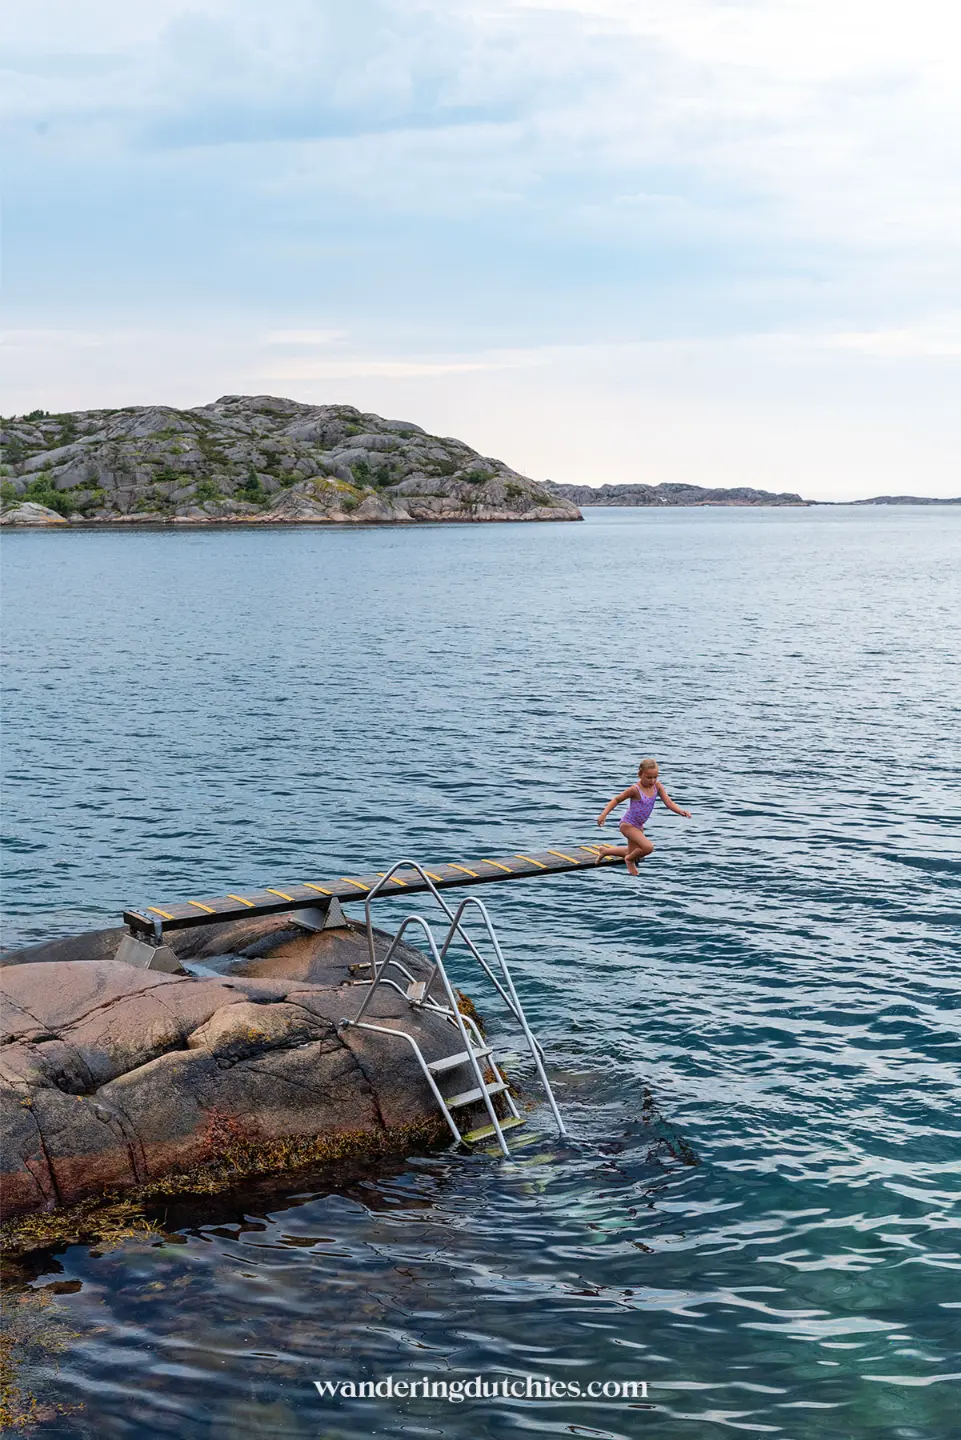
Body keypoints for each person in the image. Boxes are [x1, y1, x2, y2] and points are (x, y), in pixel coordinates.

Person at [595, 758, 691, 876]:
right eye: (649, 777)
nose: (652, 781)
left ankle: (605, 851)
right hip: (628, 825)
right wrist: (603, 814)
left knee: (632, 851)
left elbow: (669, 803)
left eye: (655, 777)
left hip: (639, 826)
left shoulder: (657, 787)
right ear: (640, 775)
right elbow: (617, 799)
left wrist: (680, 811)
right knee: (648, 848)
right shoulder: (635, 790)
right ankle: (629, 860)